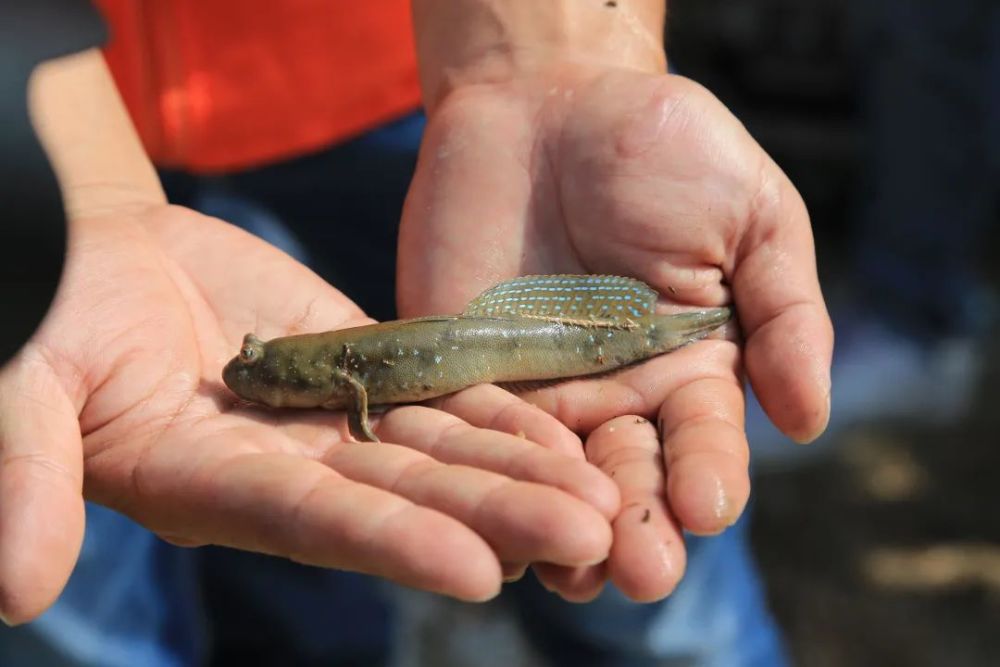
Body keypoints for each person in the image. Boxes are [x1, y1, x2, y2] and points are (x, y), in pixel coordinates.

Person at [0, 2, 833, 665]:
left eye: (259, 367)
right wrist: (44, 170)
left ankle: (686, 329)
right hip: (49, 120)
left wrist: (556, 50)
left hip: (399, 98)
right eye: (256, 369)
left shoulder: (340, 375)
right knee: (268, 570)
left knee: (639, 581)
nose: (247, 374)